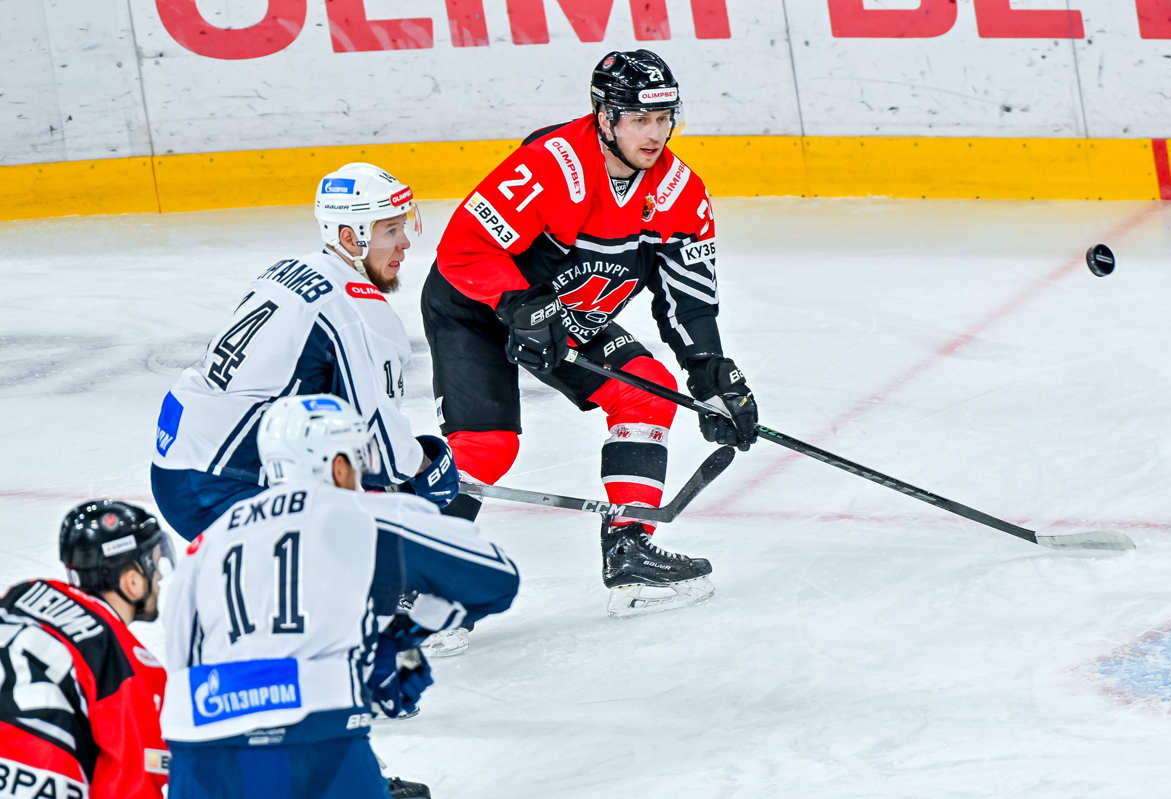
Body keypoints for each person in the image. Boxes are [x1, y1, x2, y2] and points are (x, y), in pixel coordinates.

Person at [422, 49, 759, 618]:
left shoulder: (679, 191)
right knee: (487, 446)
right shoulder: (553, 164)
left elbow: (688, 297)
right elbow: (466, 248)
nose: (655, 134)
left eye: (664, 118)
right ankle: (410, 580)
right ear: (606, 117)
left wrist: (708, 372)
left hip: (564, 315)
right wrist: (520, 306)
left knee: (647, 391)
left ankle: (630, 548)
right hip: (474, 306)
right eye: (639, 119)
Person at [160, 394, 520, 799]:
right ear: (337, 465)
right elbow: (496, 578)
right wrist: (403, 635)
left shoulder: (208, 543)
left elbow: (182, 655)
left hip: (197, 744)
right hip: (315, 733)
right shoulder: (358, 514)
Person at [150, 163, 458, 544]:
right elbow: (384, 454)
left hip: (178, 455)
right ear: (350, 238)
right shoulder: (358, 309)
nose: (405, 242)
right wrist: (426, 466)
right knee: (354, 559)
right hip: (217, 484)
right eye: (391, 230)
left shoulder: (286, 270)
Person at [0, 500, 174, 799]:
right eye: (154, 566)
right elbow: (131, 789)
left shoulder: (22, 594)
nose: (158, 578)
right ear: (132, 581)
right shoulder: (129, 666)